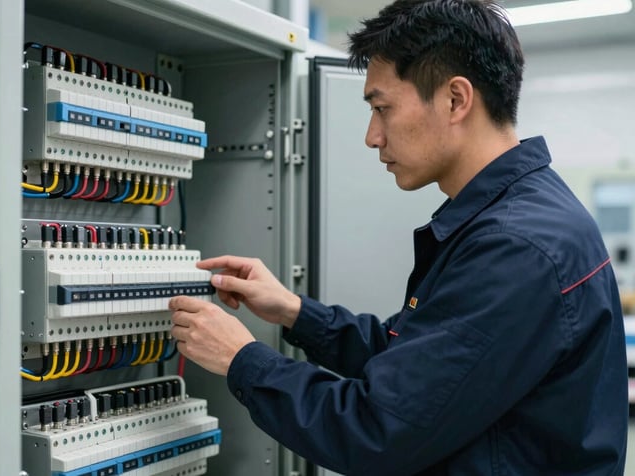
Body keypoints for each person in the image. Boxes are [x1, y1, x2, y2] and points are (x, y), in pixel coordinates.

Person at [168, 0, 628, 474]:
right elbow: (418, 361)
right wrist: (295, 312)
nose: (372, 136)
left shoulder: (515, 247)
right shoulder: (518, 216)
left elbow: (377, 428)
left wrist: (242, 359)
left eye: (382, 108)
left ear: (455, 99)